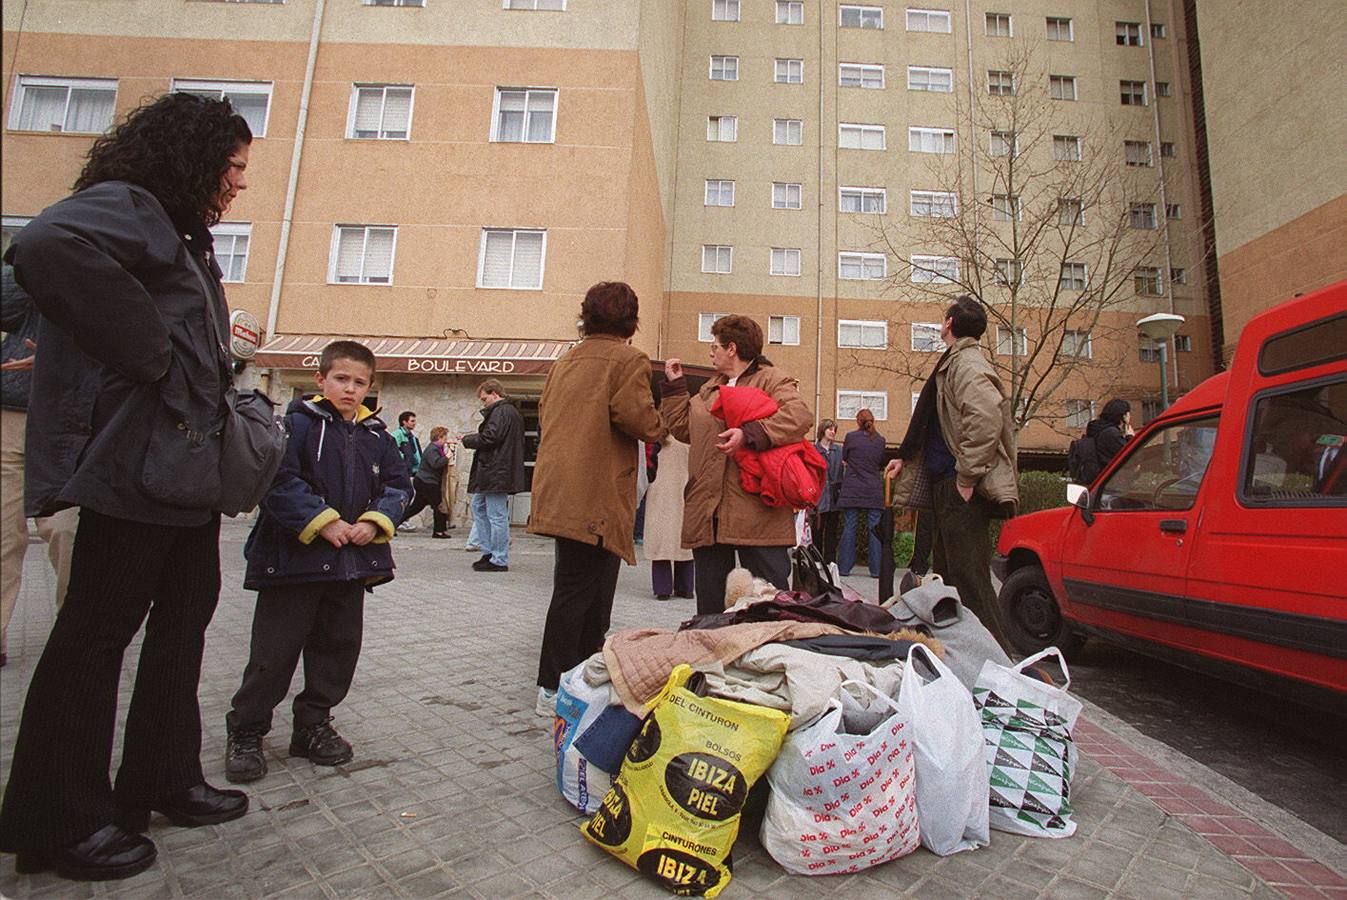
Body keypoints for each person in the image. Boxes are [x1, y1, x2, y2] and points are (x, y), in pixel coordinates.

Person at [0, 92, 253, 881]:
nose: (241, 183)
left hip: (182, 473)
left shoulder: (176, 229)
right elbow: (44, 244)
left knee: (183, 622)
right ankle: (56, 821)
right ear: (193, 157)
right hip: (135, 470)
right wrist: (149, 351)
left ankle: (160, 778)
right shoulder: (127, 207)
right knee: (95, 633)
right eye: (234, 167)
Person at [224, 340, 411, 784]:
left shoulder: (377, 437)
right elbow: (278, 481)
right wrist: (321, 521)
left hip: (350, 564)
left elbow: (400, 486)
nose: (350, 389)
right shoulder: (294, 427)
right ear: (320, 380)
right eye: (341, 379)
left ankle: (312, 724)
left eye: (360, 382)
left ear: (370, 387)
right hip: (293, 564)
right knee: (273, 654)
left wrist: (375, 521)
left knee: (336, 650)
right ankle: (247, 730)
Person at [529, 282, 666, 715]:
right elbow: (637, 418)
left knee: (585, 587)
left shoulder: (565, 359)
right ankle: (552, 685)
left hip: (562, 488)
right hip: (598, 491)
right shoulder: (628, 359)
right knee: (580, 591)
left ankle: (579, 676)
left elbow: (546, 413)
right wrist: (663, 425)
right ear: (631, 319)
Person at [663, 314, 812, 614]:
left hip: (758, 513)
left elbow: (799, 417)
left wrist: (750, 434)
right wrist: (676, 388)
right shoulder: (710, 388)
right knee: (710, 608)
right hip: (710, 511)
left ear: (731, 348)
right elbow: (682, 429)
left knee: (767, 606)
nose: (710, 351)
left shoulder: (772, 379)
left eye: (714, 344)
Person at [886, 296, 1017, 637]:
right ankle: (964, 657)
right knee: (949, 578)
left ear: (948, 323)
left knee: (968, 579)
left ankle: (1000, 663)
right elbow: (931, 418)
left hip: (960, 485)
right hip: (948, 482)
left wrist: (968, 476)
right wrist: (905, 455)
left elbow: (986, 416)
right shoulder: (955, 360)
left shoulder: (967, 363)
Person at [0, 267, 81, 668]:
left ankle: (73, 633)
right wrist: (38, 267)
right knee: (3, 537)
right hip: (11, 416)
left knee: (64, 532)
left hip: (67, 424)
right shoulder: (36, 279)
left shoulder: (111, 287)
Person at [462, 378, 526, 572]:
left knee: (496, 515)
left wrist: (467, 439)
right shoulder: (509, 412)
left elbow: (491, 437)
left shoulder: (501, 411)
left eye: (484, 399)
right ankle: (489, 552)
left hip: (496, 471)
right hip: (495, 470)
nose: (483, 402)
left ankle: (498, 558)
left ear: (494, 394)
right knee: (479, 507)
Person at [836, 409, 887, 578]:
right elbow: (879, 462)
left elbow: (845, 458)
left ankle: (844, 568)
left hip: (852, 487)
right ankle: (876, 570)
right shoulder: (880, 440)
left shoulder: (851, 437)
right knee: (874, 529)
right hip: (873, 488)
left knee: (850, 526)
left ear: (858, 421)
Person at [644, 435, 695, 601]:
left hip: (660, 487)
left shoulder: (655, 429)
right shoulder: (688, 425)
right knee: (684, 534)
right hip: (687, 483)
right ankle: (686, 587)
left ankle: (662, 588)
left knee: (661, 536)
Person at [401, 426, 452, 537]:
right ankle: (439, 531)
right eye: (444, 438)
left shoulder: (435, 449)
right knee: (439, 505)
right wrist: (447, 457)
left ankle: (394, 523)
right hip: (427, 482)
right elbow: (436, 464)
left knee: (416, 507)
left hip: (424, 481)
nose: (446, 440)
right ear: (439, 437)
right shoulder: (432, 449)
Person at [810, 419, 843, 565]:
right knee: (817, 528)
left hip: (835, 495)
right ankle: (816, 558)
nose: (832, 432)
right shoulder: (814, 450)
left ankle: (830, 560)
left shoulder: (839, 450)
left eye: (834, 429)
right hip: (819, 495)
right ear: (822, 430)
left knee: (832, 530)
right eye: (830, 429)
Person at [390, 412, 422, 529]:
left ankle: (402, 519)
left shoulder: (412, 437)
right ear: (404, 422)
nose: (414, 424)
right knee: (404, 494)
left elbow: (415, 454)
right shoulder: (397, 435)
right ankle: (398, 519)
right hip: (400, 471)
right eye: (412, 421)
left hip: (409, 471)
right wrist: (402, 461)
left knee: (409, 494)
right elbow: (393, 451)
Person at [1089, 398, 1134, 471]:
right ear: (1124, 416)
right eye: (1128, 414)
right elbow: (1131, 456)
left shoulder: (1100, 429)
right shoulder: (1112, 433)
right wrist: (1130, 437)